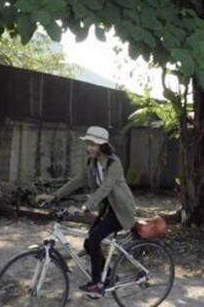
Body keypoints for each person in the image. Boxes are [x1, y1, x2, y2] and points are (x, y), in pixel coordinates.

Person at [38, 126, 136, 298]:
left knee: (94, 238)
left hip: (120, 210)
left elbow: (105, 188)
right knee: (88, 244)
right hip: (107, 209)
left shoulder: (114, 163)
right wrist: (54, 196)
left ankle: (97, 284)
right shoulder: (91, 162)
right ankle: (109, 277)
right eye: (88, 144)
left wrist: (85, 207)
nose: (89, 148)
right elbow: (77, 181)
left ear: (102, 146)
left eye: (93, 144)